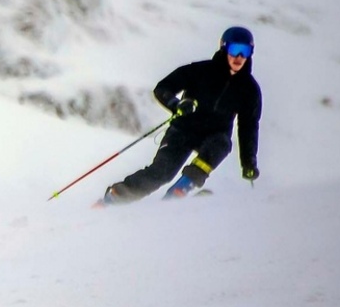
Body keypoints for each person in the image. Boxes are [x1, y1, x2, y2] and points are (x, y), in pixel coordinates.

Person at [99, 26, 261, 205]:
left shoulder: (249, 90)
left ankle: (181, 189)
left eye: (245, 51)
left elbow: (248, 127)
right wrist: (176, 105)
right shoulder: (200, 71)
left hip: (214, 136)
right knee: (161, 173)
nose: (239, 57)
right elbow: (163, 88)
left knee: (222, 143)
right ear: (224, 48)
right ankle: (115, 198)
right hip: (183, 131)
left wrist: (248, 163)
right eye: (234, 49)